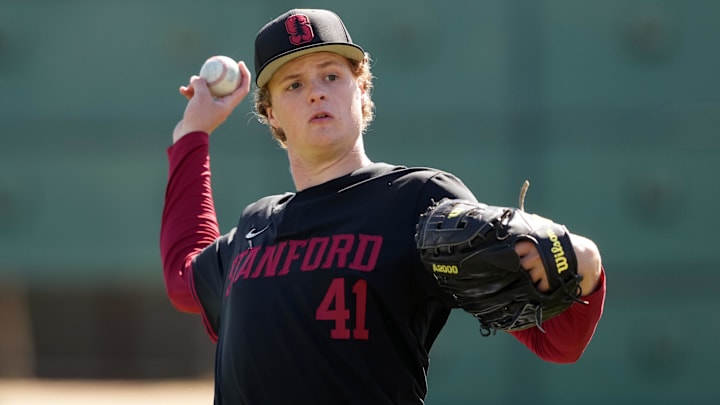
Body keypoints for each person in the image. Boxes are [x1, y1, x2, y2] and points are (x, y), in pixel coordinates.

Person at [160, 8, 606, 405]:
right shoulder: (257, 225)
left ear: (361, 90)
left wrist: (583, 264)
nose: (316, 92)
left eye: (331, 75)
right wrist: (191, 135)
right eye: (294, 84)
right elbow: (185, 275)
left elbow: (557, 342)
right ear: (271, 112)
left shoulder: (415, 198)